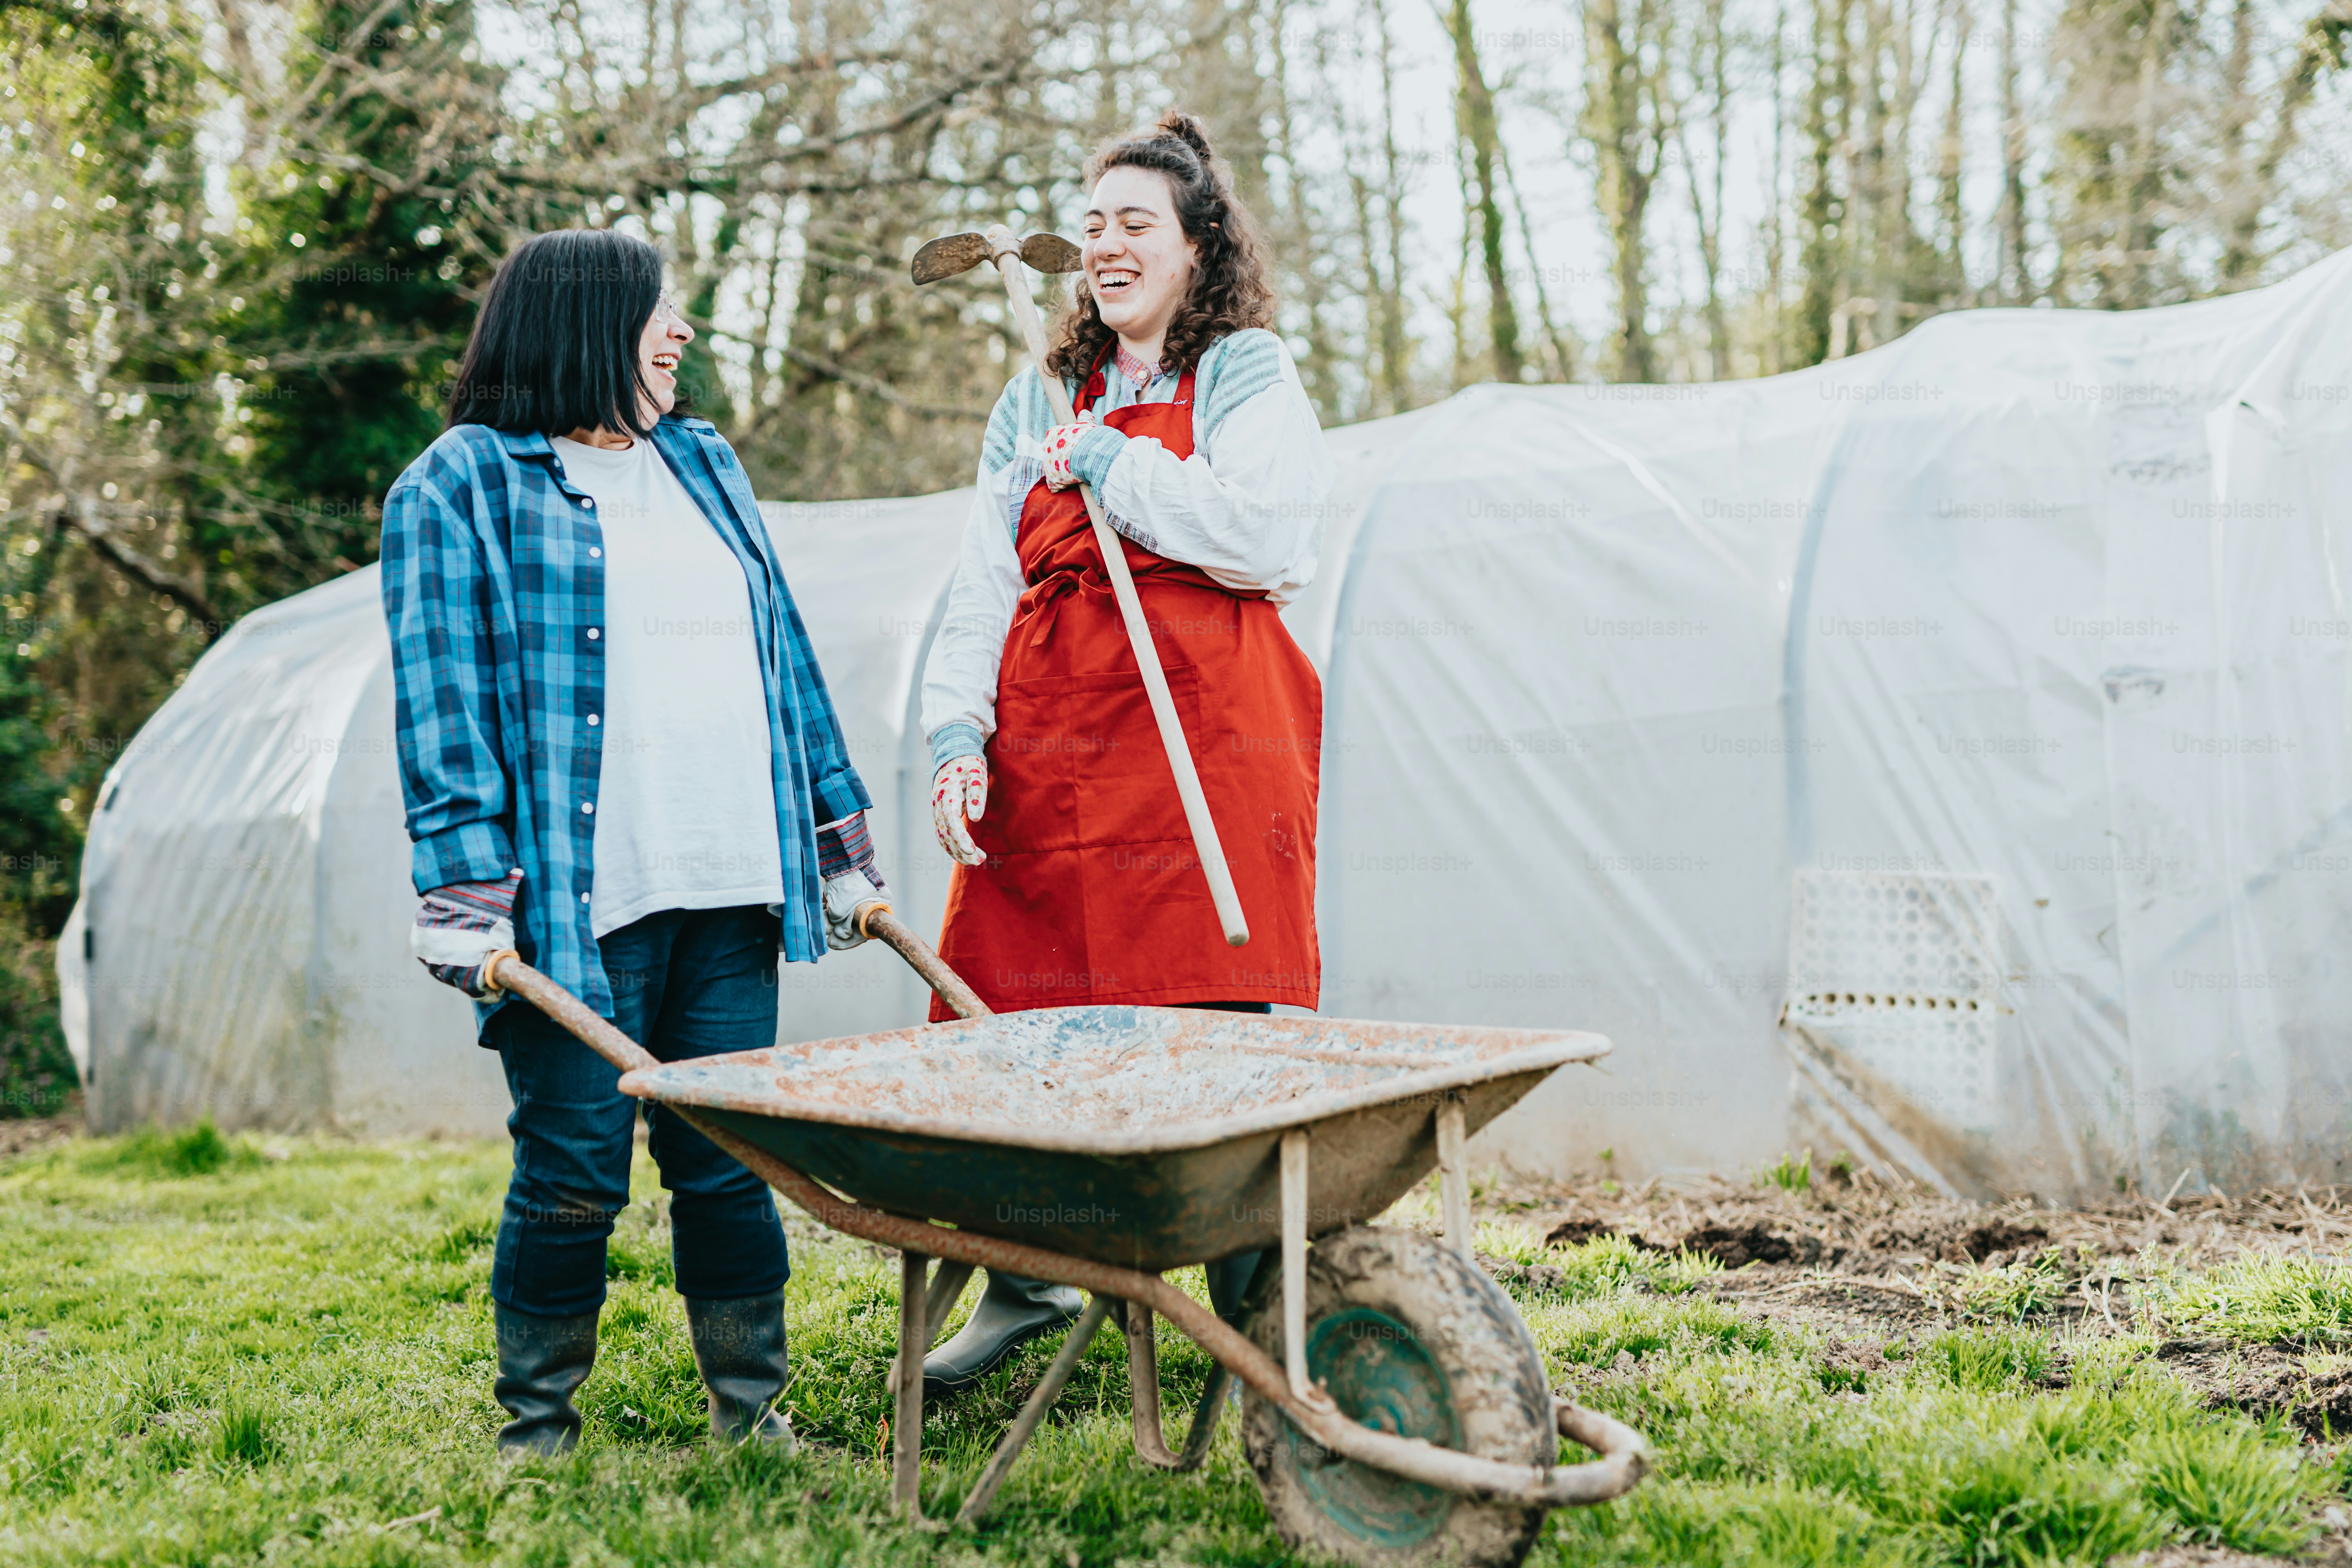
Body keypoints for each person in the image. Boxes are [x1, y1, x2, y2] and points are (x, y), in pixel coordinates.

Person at [379, 228, 887, 1455]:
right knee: (573, 1166)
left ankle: (752, 1413)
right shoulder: (462, 485)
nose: (686, 332)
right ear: (588, 324)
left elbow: (787, 662)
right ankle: (537, 1427)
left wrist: (836, 838)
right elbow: (443, 709)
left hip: (729, 881)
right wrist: (464, 888)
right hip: (571, 904)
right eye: (666, 311)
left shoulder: (705, 463)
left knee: (726, 1159)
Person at [916, 112, 1336, 1394]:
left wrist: (1120, 467)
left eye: (1134, 223)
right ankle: (1027, 1280)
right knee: (1021, 1023)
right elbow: (983, 583)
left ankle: (1259, 1309)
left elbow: (1266, 538)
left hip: (1207, 750)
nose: (1106, 244)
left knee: (1212, 1029)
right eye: (1091, 224)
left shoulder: (1245, 372)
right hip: (1055, 756)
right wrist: (957, 734)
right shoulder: (1034, 400)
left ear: (1198, 247)